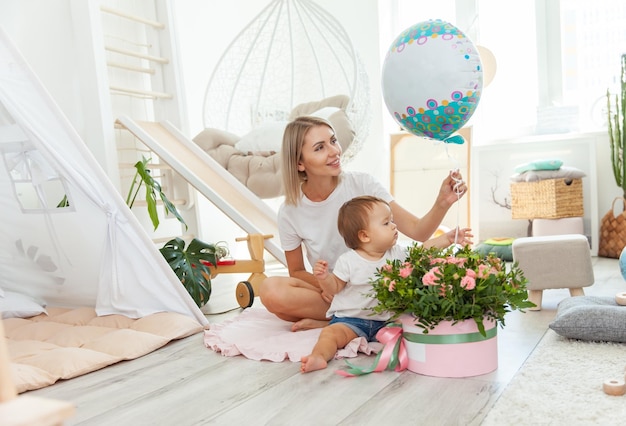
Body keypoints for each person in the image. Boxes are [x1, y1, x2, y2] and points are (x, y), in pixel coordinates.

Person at [259, 115, 468, 331]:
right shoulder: (290, 211)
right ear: (299, 163)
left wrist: (443, 202)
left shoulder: (362, 183)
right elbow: (297, 271)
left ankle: (339, 320)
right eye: (320, 148)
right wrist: (328, 284)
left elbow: (418, 232)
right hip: (335, 288)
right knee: (271, 292)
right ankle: (340, 319)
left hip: (376, 286)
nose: (334, 151)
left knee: (284, 310)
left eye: (333, 140)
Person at [300, 195, 472, 373]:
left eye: (392, 220)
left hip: (387, 320)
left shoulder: (396, 253)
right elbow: (334, 287)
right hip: (351, 321)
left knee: (413, 327)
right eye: (386, 223)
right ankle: (319, 357)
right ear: (365, 235)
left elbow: (423, 250)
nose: (394, 225)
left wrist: (447, 239)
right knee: (330, 335)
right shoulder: (349, 261)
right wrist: (324, 278)